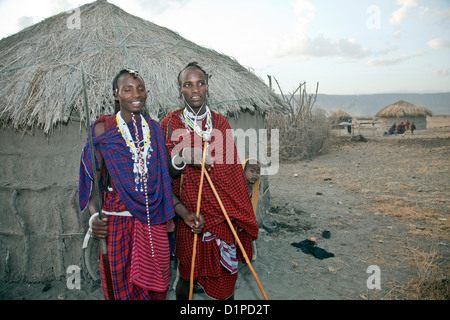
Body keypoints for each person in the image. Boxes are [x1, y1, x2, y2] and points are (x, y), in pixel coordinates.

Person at [78, 68, 197, 300]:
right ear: (116, 94)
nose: (136, 94)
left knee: (157, 285)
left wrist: (184, 213)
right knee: (119, 287)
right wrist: (94, 217)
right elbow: (93, 186)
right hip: (116, 224)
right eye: (128, 89)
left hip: (152, 224)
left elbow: (161, 183)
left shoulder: (153, 128)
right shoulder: (105, 129)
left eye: (141, 89)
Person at [161, 62, 258, 300]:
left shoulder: (221, 123)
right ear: (180, 90)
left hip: (221, 216)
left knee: (226, 281)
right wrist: (182, 157)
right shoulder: (170, 124)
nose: (195, 90)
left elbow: (232, 175)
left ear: (207, 87)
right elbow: (165, 177)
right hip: (189, 214)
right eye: (188, 85)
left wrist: (234, 212)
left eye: (200, 83)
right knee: (187, 275)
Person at [242, 158, 261, 261]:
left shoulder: (251, 188)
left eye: (257, 172)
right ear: (243, 170)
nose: (255, 175)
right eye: (252, 171)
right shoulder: (237, 187)